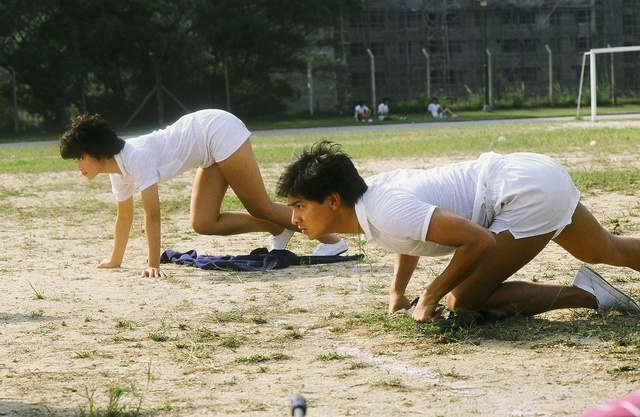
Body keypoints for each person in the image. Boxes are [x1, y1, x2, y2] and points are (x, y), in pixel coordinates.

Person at [276, 141, 640, 323]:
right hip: (529, 174)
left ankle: (590, 295)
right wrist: (397, 291)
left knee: (461, 300)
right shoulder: (371, 200)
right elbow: (410, 234)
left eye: (299, 207)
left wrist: (430, 296)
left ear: (333, 200)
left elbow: (478, 241)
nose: (294, 219)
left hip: (524, 191)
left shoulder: (384, 209)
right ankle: (593, 288)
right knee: (605, 250)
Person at [58, 110, 348, 278]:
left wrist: (152, 265)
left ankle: (332, 241)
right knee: (203, 222)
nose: (78, 165)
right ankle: (276, 226)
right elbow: (124, 217)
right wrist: (115, 260)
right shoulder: (118, 170)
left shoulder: (137, 157)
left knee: (259, 204)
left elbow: (153, 214)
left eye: (79, 158)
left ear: (97, 153)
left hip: (217, 131)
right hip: (206, 151)